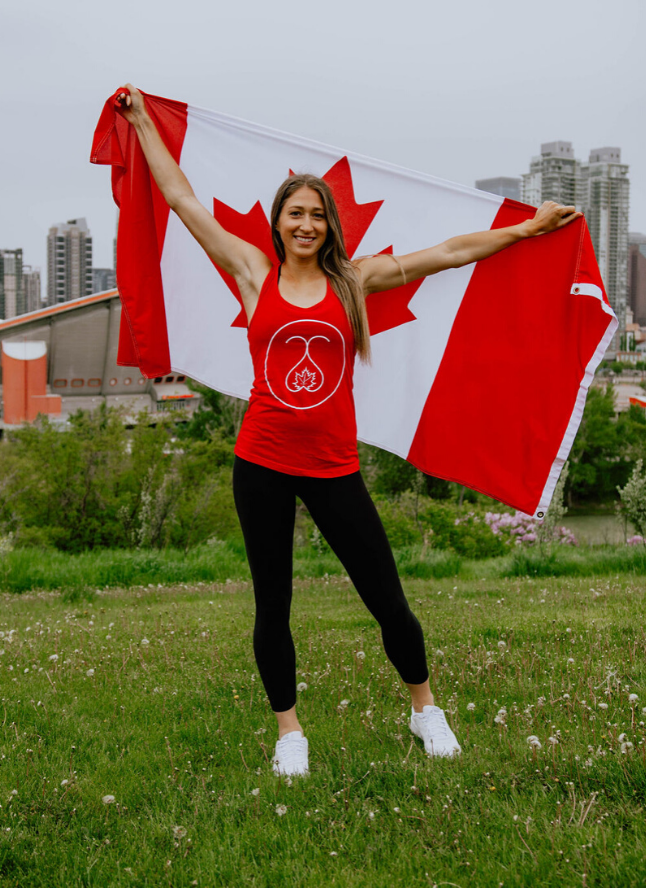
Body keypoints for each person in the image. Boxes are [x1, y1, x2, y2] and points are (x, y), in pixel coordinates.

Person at [116, 84, 582, 776]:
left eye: (316, 215)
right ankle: (290, 733)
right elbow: (183, 200)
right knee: (273, 605)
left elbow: (450, 252)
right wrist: (143, 124)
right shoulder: (253, 272)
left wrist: (526, 229)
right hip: (262, 461)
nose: (306, 225)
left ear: (330, 226)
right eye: (295, 214)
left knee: (387, 598)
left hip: (333, 465)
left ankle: (425, 711)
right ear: (278, 224)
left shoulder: (355, 281)